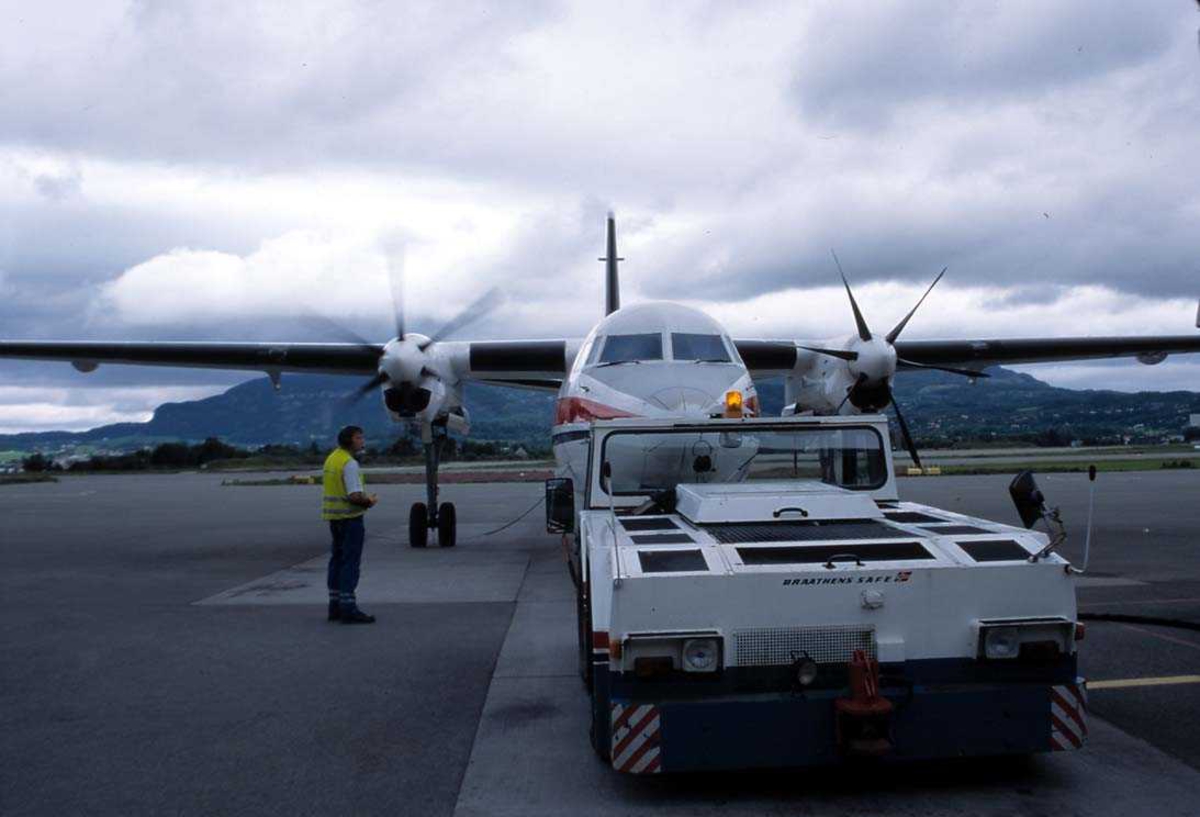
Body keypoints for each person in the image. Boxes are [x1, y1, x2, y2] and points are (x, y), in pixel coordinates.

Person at [322, 425, 379, 624]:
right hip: (351, 519)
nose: (362, 441)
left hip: (334, 519)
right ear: (349, 441)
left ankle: (335, 606)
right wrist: (369, 502)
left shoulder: (332, 459)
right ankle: (349, 608)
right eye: (359, 438)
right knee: (350, 563)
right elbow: (354, 495)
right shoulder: (349, 463)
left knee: (336, 560)